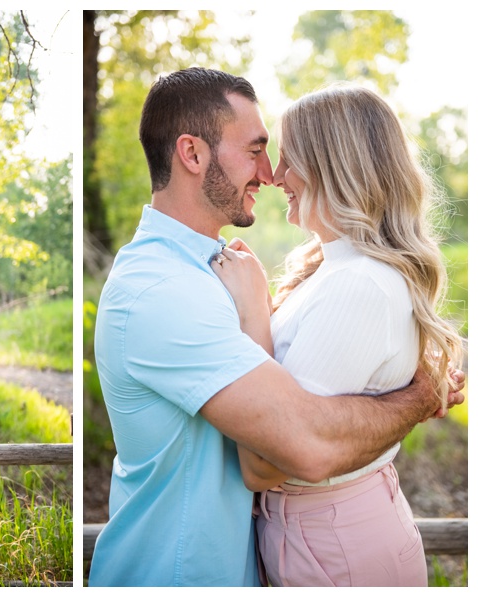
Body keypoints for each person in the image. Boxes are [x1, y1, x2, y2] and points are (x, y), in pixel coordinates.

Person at [88, 68, 463, 587]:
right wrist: (418, 400)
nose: (269, 173)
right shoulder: (162, 291)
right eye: (256, 149)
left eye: (283, 154)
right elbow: (293, 448)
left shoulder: (213, 268)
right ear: (193, 155)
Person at [212, 84, 463, 586]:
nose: (275, 176)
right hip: (322, 531)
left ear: (337, 166)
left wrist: (251, 313)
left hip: (333, 543)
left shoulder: (358, 284)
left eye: (291, 160)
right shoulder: (336, 268)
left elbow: (265, 465)